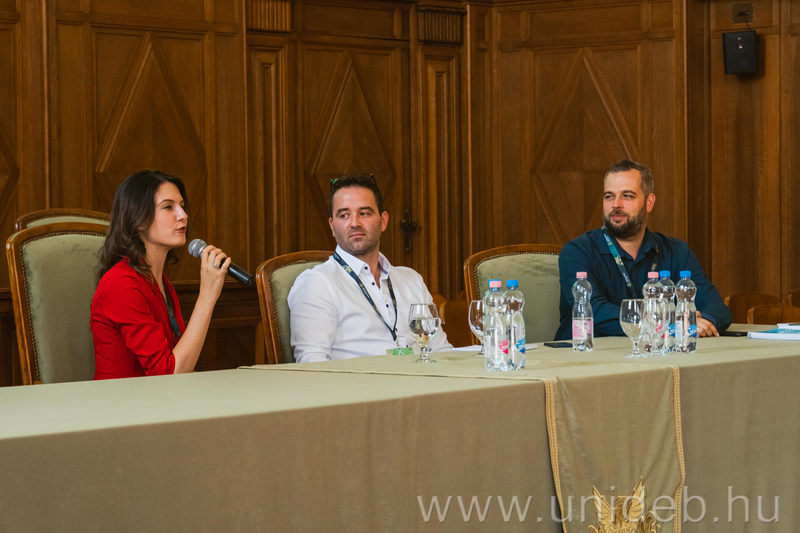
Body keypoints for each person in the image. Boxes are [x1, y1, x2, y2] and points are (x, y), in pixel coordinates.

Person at [555, 159, 732, 340]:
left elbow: (717, 308)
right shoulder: (577, 252)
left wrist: (701, 322)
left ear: (649, 202)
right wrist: (670, 323)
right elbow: (594, 312)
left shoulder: (678, 251)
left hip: (656, 354)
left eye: (627, 196)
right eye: (609, 196)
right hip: (589, 354)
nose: (616, 204)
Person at [288, 174, 452, 363]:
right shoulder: (317, 284)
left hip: (422, 379)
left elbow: (441, 352)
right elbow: (312, 364)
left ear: (383, 221)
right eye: (344, 215)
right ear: (332, 226)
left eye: (364, 213)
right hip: (359, 382)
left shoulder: (412, 280)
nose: (355, 223)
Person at [91, 170, 230, 379]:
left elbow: (177, 364)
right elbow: (167, 373)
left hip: (160, 396)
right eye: (168, 207)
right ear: (138, 219)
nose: (183, 215)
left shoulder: (160, 281)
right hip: (122, 398)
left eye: (182, 206)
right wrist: (207, 296)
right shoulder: (120, 284)